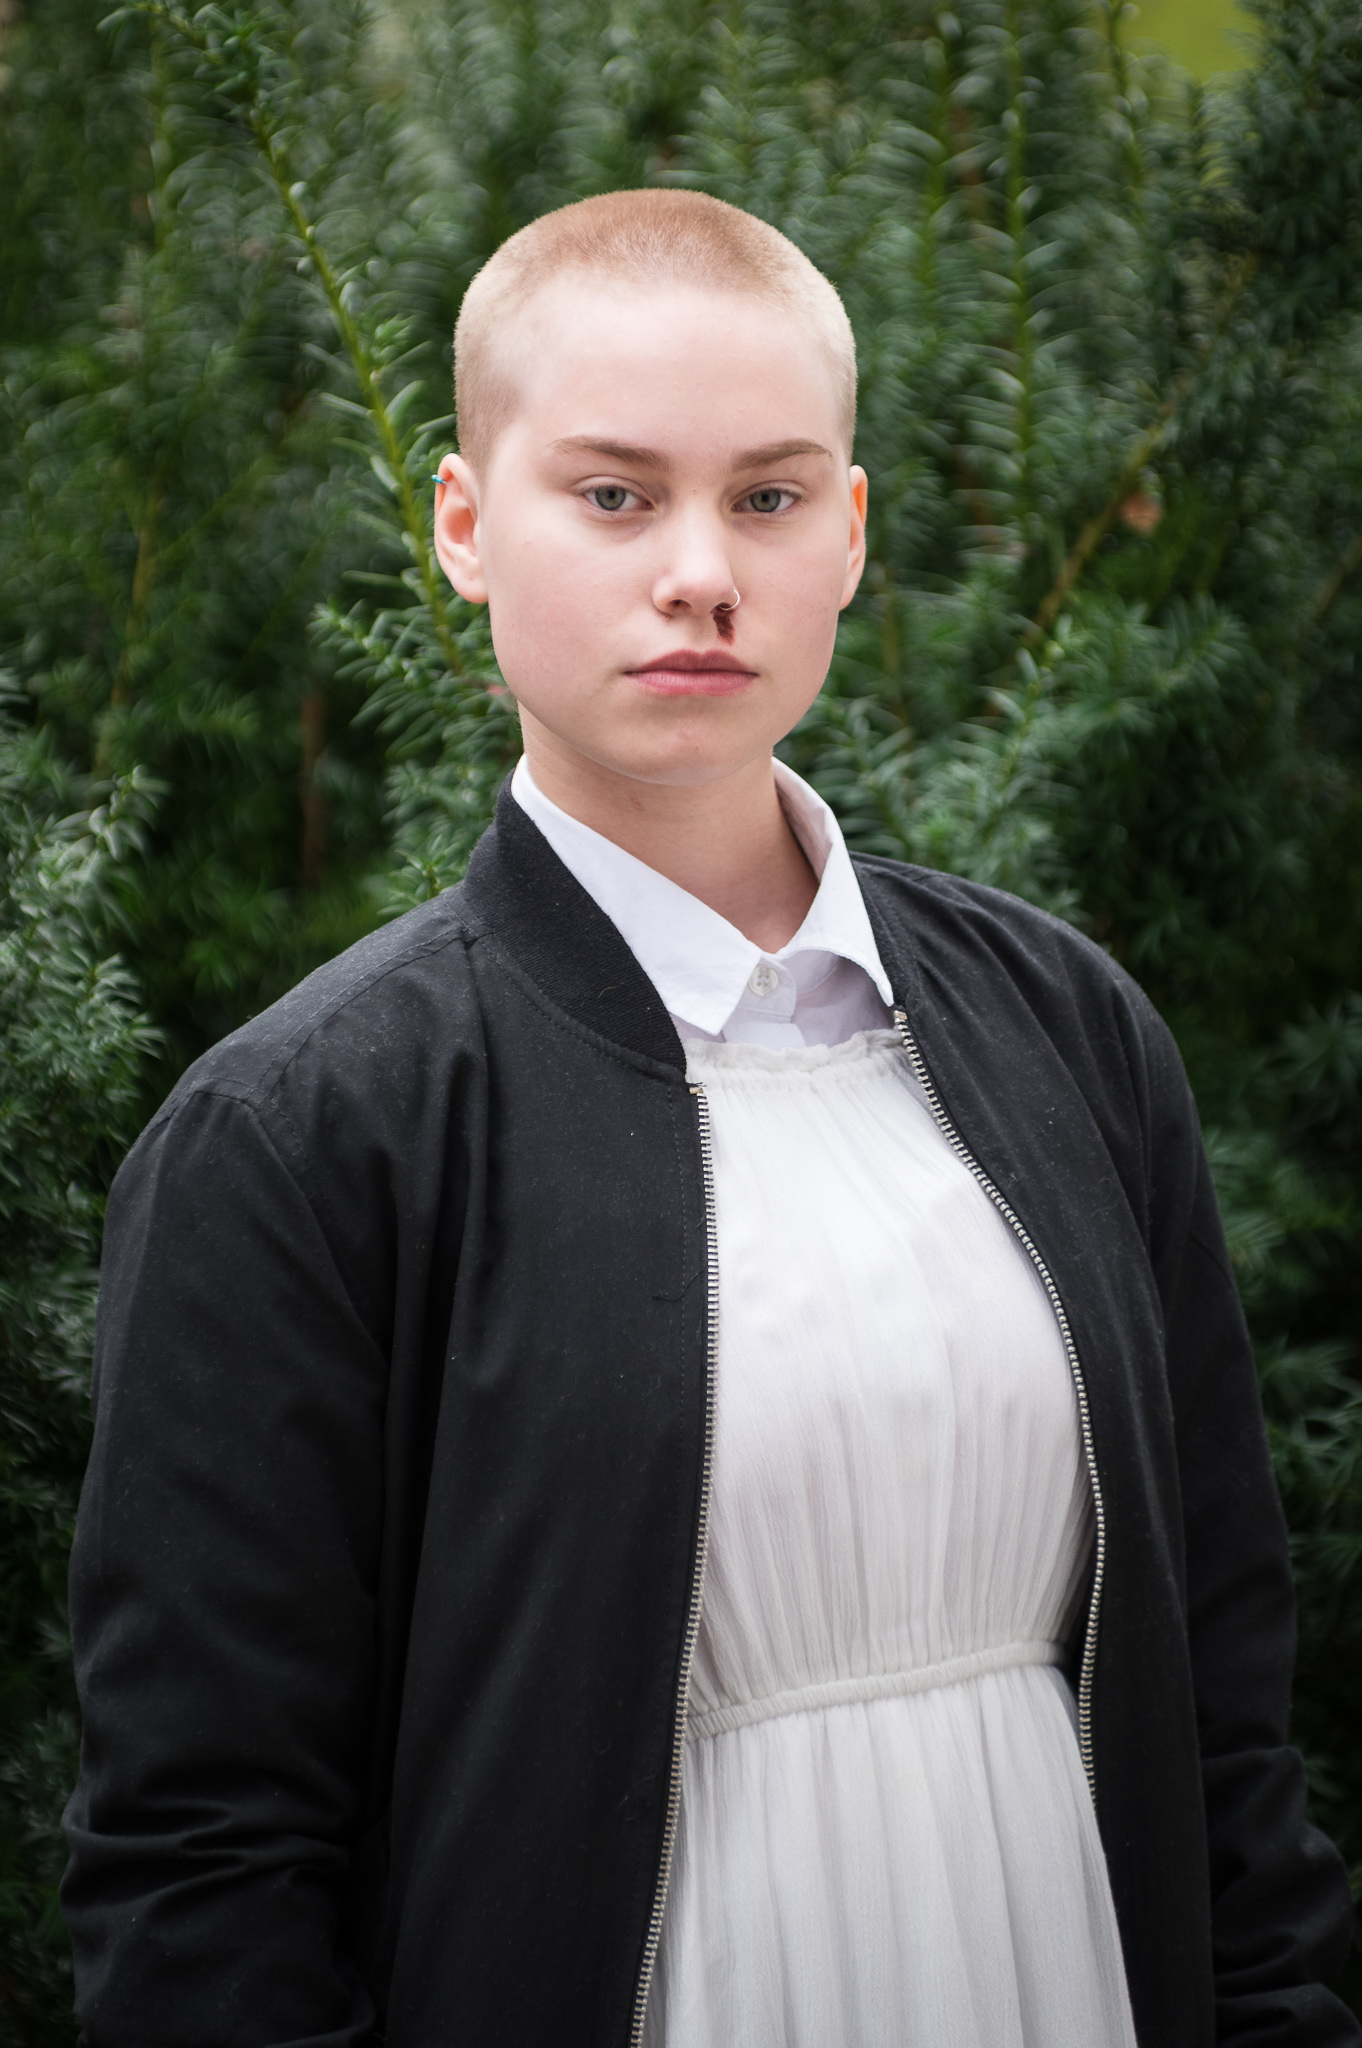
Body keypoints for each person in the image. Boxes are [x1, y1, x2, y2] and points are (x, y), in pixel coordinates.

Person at [62, 189, 1357, 2048]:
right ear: (460, 526)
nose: (698, 572)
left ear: (851, 531)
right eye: (613, 495)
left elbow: (1222, 1685)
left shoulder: (1066, 1030)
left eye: (766, 497)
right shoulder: (301, 1133)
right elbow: (205, 1860)